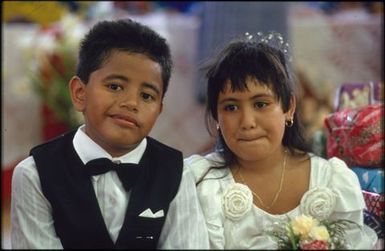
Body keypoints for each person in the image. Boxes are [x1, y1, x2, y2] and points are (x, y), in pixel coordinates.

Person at [11, 18, 209, 249]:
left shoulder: (177, 172)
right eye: (115, 86)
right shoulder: (34, 174)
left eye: (147, 96)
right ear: (79, 93)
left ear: (159, 110)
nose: (131, 103)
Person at [184, 32, 378, 249]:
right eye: (231, 107)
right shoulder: (201, 184)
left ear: (289, 107)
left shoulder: (331, 181)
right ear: (216, 117)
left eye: (260, 104)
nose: (247, 122)